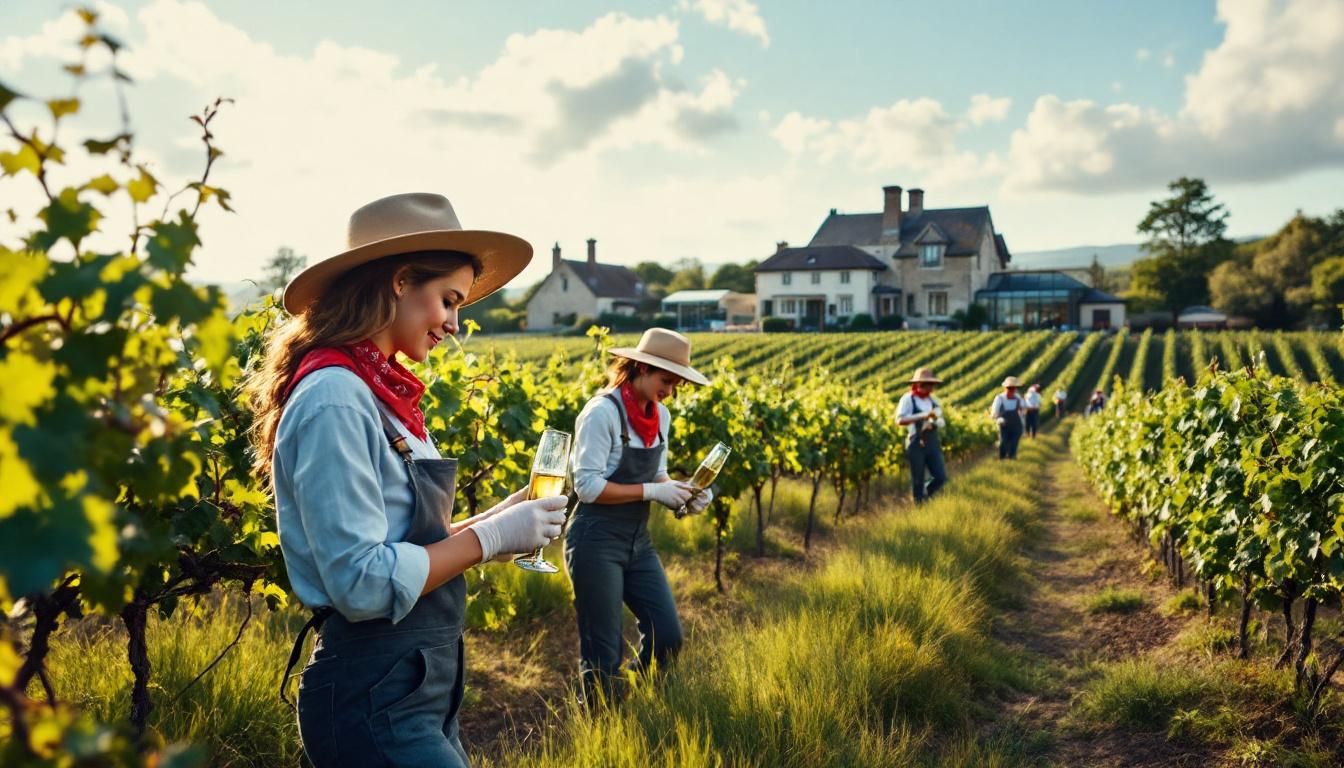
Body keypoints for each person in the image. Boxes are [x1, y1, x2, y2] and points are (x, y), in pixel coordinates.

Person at [248, 193, 568, 767]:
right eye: (447, 300)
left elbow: (407, 541)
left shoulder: (380, 396)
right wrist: (491, 539)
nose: (454, 324)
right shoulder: (336, 397)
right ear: (399, 280)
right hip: (373, 694)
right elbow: (362, 581)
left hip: (413, 687)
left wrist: (504, 518)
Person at [566, 328, 712, 699]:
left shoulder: (660, 415)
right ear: (641, 368)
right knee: (603, 650)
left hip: (637, 540)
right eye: (667, 380)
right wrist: (653, 492)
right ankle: (602, 724)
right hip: (595, 540)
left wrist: (683, 493)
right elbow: (587, 487)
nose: (671, 390)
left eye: (676, 384)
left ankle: (634, 696)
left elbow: (657, 474)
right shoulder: (603, 412)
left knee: (668, 636)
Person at [895, 368, 948, 503]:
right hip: (915, 442)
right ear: (918, 384)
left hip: (932, 443)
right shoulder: (908, 399)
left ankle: (928, 495)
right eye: (926, 384)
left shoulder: (934, 401)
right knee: (917, 479)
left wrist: (933, 423)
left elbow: (940, 420)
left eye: (930, 384)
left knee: (940, 477)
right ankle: (920, 504)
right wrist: (922, 416)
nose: (929, 387)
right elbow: (900, 420)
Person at [990, 376, 1026, 460]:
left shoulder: (1018, 398)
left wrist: (1022, 410)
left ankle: (1012, 459)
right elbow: (994, 413)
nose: (1012, 390)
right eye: (1010, 388)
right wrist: (998, 418)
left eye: (1013, 388)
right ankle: (1002, 459)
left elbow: (1024, 410)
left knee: (1014, 443)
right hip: (1004, 425)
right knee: (1003, 443)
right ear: (1005, 388)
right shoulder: (1000, 398)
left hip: (1016, 425)